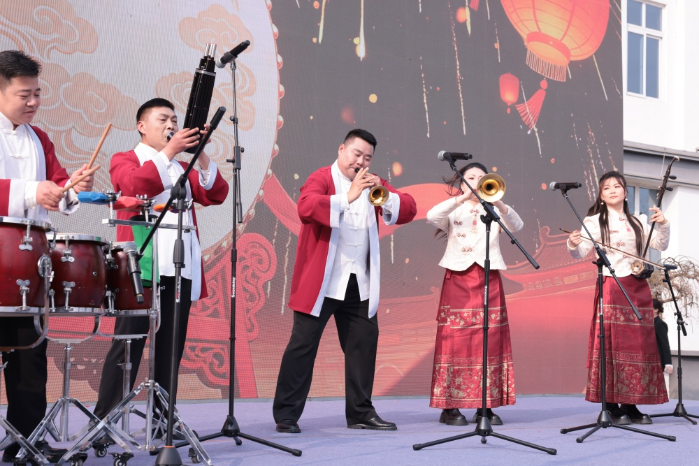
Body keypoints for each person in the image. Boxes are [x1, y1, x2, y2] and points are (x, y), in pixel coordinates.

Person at [92, 98, 228, 426]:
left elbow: (216, 194)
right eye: (163, 119)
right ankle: (104, 421)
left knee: (170, 348)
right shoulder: (125, 159)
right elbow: (133, 186)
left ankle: (163, 421)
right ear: (141, 126)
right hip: (141, 266)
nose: (171, 125)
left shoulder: (181, 167)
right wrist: (169, 152)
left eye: (174, 120)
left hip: (179, 266)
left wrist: (200, 153)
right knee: (128, 344)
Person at [273, 129, 417, 433]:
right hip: (323, 282)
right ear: (342, 150)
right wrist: (348, 196)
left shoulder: (374, 182)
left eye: (367, 158)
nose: (361, 162)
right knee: (302, 346)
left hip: (359, 282)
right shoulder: (321, 178)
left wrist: (385, 193)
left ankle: (361, 412)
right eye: (357, 154)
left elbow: (409, 208)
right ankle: (286, 415)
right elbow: (305, 207)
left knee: (363, 346)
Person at [0, 50, 94, 462]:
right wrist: (31, 192)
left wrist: (70, 188)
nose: (34, 102)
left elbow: (56, 186)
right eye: (25, 94)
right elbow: (35, 191)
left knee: (30, 357)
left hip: (27, 263)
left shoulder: (39, 138)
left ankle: (26, 442)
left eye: (37, 93)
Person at [567, 171, 670, 424]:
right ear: (601, 196)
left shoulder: (639, 220)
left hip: (638, 285)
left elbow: (660, 244)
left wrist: (663, 223)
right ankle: (611, 405)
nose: (612, 190)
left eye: (617, 186)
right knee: (613, 344)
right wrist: (573, 243)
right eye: (606, 188)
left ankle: (631, 403)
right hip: (612, 284)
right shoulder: (593, 221)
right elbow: (580, 252)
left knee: (638, 346)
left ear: (625, 192)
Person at [426, 162, 522, 426]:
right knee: (455, 341)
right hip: (458, 277)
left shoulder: (493, 210)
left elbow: (517, 225)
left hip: (489, 277)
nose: (477, 181)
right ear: (461, 182)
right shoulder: (454, 208)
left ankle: (485, 405)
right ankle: (450, 406)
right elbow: (431, 216)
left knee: (489, 339)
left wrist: (498, 201)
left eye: (481, 177)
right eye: (470, 177)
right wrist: (462, 198)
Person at [653, 298, 673, 395]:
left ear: (656, 310)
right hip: (651, 361)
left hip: (659, 361)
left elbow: (665, 344)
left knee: (662, 388)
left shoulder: (660, 324)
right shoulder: (649, 323)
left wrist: (668, 363)